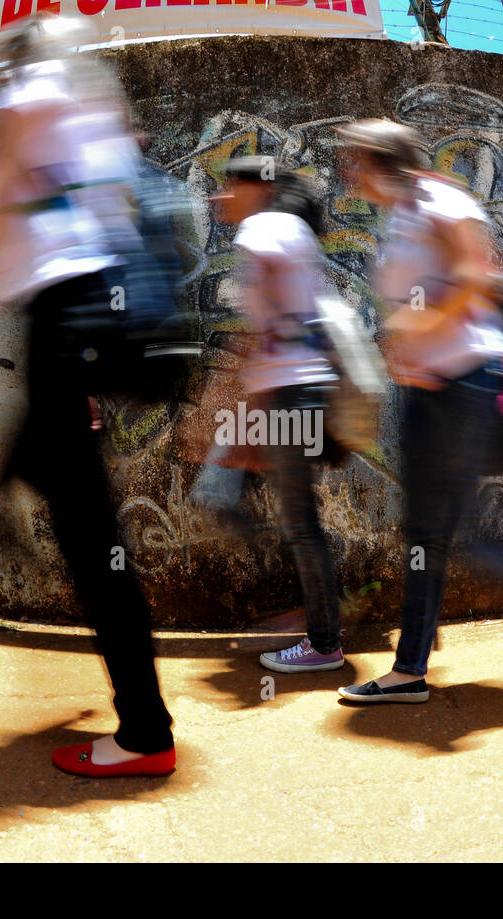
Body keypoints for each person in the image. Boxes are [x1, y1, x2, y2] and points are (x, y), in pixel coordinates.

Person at [0, 15, 175, 777]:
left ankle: (144, 733)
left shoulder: (29, 95)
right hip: (96, 316)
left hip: (64, 317)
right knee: (83, 515)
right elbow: (113, 203)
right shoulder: (96, 108)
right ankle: (14, 476)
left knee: (94, 543)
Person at [332, 119, 503, 703]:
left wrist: (418, 331)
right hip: (433, 388)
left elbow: (477, 277)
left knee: (443, 528)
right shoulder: (403, 214)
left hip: (467, 380)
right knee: (431, 529)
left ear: (380, 160)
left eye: (354, 159)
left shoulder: (441, 198)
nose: (347, 171)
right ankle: (412, 664)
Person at [210, 157, 347, 674]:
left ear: (253, 187)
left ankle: (324, 639)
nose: (219, 197)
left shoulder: (262, 227)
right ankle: (313, 618)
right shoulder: (294, 230)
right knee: (285, 514)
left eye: (228, 187)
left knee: (291, 519)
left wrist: (237, 404)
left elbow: (260, 327)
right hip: (303, 390)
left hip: (286, 392)